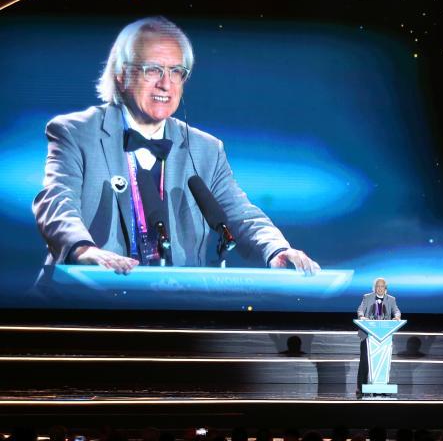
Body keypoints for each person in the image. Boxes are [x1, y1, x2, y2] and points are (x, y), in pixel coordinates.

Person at [32, 16, 319, 275]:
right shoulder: (75, 132)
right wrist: (82, 249)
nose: (166, 84)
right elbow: (57, 202)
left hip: (174, 303)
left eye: (176, 71)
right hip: (87, 301)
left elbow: (240, 214)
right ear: (121, 74)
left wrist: (276, 249)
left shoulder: (206, 150)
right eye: (153, 70)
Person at [356, 277, 401, 394]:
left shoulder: (391, 299)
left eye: (382, 286)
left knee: (382, 362)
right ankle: (361, 387)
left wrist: (397, 316)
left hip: (384, 336)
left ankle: (380, 387)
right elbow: (360, 310)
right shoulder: (367, 297)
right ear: (374, 288)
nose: (380, 288)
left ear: (385, 288)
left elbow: (396, 311)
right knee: (365, 362)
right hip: (368, 335)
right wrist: (361, 316)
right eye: (378, 286)